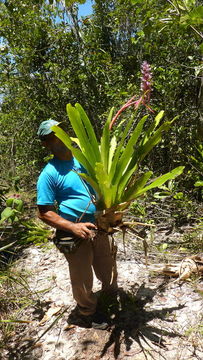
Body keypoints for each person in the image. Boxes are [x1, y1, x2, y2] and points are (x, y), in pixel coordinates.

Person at [36, 119, 118, 330]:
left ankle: (110, 297)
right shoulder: (49, 173)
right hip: (75, 232)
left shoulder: (84, 160)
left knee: (106, 264)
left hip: (99, 227)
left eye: (62, 130)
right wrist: (73, 227)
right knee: (81, 278)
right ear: (46, 143)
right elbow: (44, 212)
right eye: (54, 134)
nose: (62, 136)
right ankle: (87, 312)